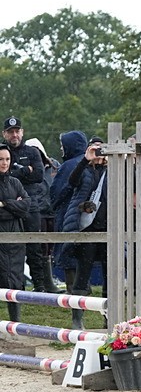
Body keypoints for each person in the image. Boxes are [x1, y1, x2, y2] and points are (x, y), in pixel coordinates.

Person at [3, 116, 55, 292]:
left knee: (34, 247)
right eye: (11, 132)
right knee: (11, 247)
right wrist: (25, 171)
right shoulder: (2, 152)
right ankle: (16, 285)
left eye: (17, 131)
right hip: (8, 208)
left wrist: (14, 173)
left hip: (30, 206)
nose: (14, 135)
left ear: (22, 132)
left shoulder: (32, 152)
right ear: (4, 134)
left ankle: (39, 284)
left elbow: (39, 175)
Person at [62, 139, 109, 329]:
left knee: (111, 277)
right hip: (87, 230)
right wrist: (85, 159)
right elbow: (71, 182)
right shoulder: (85, 170)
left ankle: (109, 318)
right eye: (95, 149)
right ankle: (77, 320)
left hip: (108, 230)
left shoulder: (112, 171)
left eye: (101, 149)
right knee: (82, 276)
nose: (98, 153)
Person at [49, 131, 88, 293]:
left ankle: (74, 293)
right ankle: (84, 288)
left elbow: (56, 194)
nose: (61, 148)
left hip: (68, 216)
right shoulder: (88, 163)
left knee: (68, 255)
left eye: (63, 145)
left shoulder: (69, 166)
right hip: (87, 219)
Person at [0, 144, 32, 322]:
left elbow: (26, 206)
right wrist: (14, 205)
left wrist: (5, 203)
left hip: (16, 239)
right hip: (1, 238)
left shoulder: (15, 182)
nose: (4, 163)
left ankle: (16, 322)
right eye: (1, 159)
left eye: (7, 159)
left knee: (15, 280)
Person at [24, 137, 60, 291]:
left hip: (51, 211)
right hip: (36, 212)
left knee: (49, 248)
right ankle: (41, 283)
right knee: (38, 248)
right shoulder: (28, 169)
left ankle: (48, 281)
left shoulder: (53, 166)